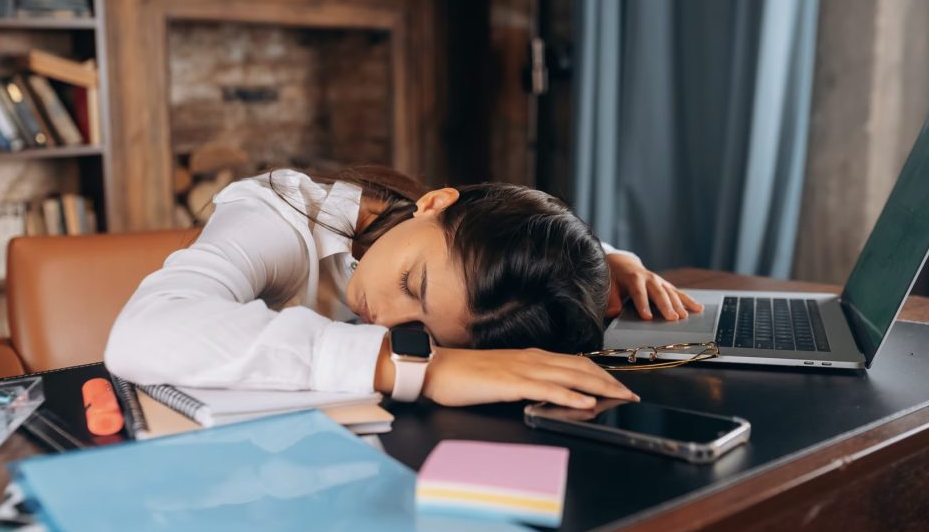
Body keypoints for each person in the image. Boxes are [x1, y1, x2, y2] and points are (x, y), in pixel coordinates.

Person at [104, 167, 703, 410]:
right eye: (411, 282)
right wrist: (423, 368)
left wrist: (602, 262)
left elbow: (520, 230)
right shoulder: (279, 217)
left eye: (419, 325)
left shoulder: (447, 243)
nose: (383, 316)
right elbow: (141, 335)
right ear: (435, 203)